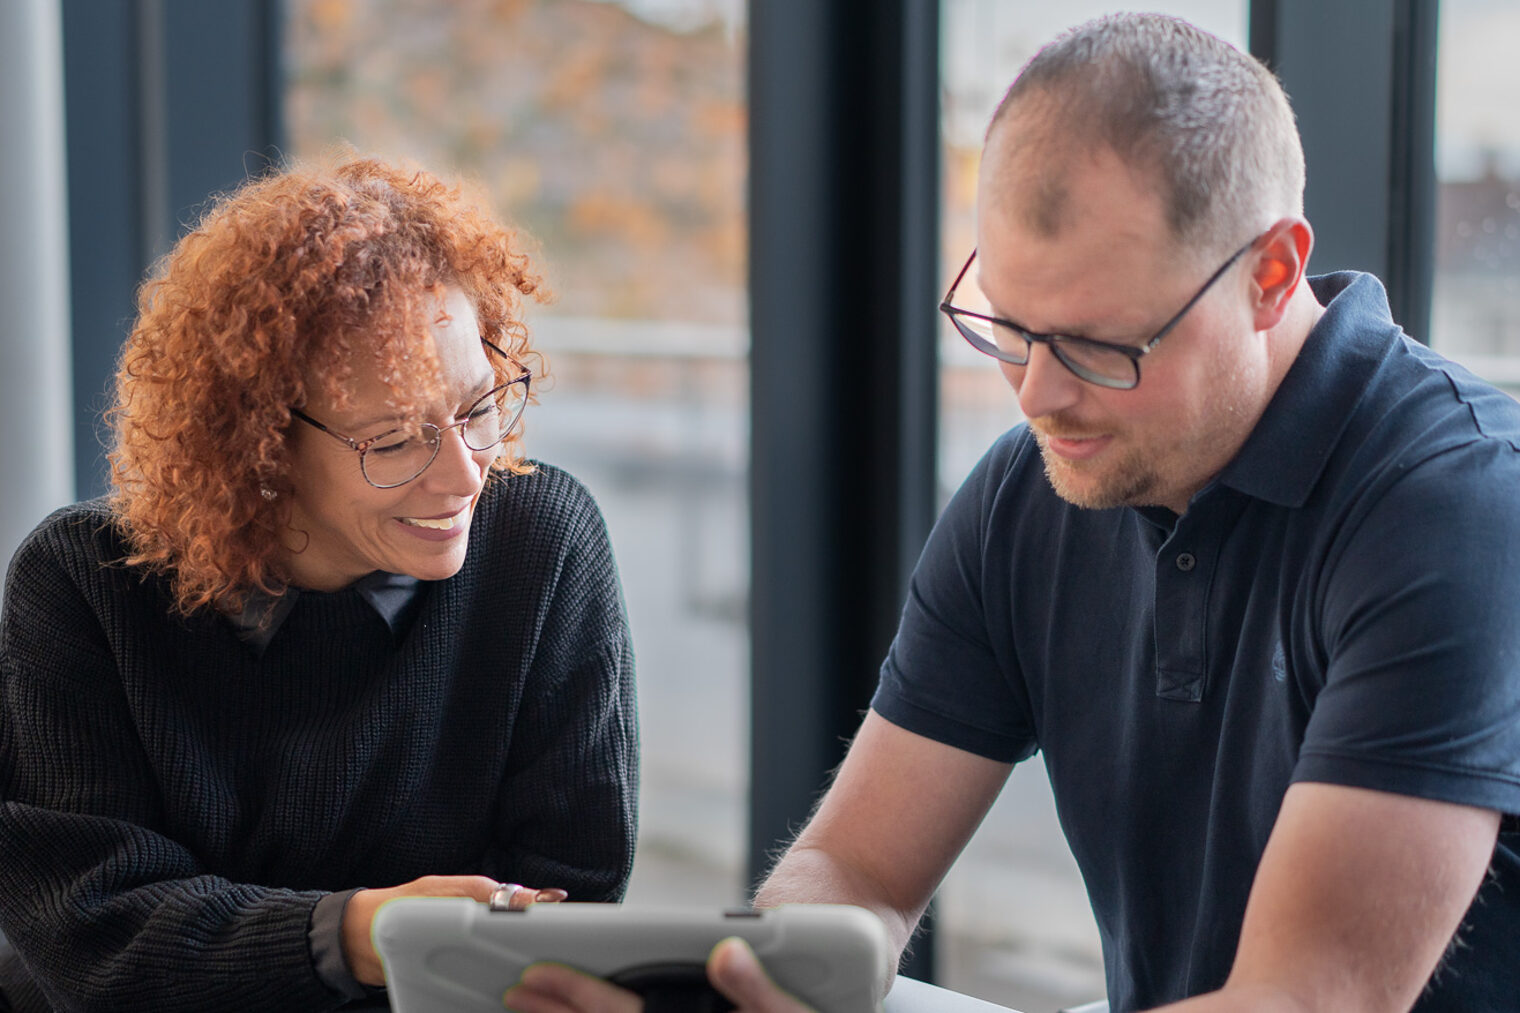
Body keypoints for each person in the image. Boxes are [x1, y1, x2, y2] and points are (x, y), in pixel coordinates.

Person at [506, 13, 1520, 1013]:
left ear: (1268, 275)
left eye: (1094, 345)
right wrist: (754, 986)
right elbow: (853, 866)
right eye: (1006, 324)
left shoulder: (1456, 506)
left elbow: (1307, 998)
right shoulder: (1030, 487)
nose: (1035, 395)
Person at [0, 156, 638, 1012]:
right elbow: (92, 935)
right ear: (261, 446)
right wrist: (359, 935)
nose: (464, 475)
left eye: (479, 406)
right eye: (397, 438)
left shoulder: (542, 545)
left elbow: (565, 917)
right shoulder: (83, 584)